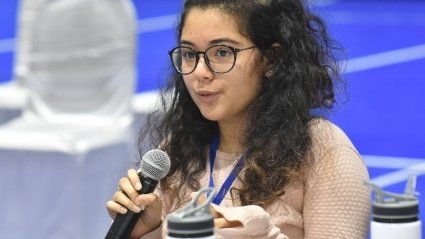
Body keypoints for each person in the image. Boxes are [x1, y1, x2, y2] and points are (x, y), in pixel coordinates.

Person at [106, 0, 371, 238]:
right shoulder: (177, 150)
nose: (200, 72)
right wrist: (142, 232)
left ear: (271, 59)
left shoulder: (324, 152)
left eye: (222, 53)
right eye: (189, 54)